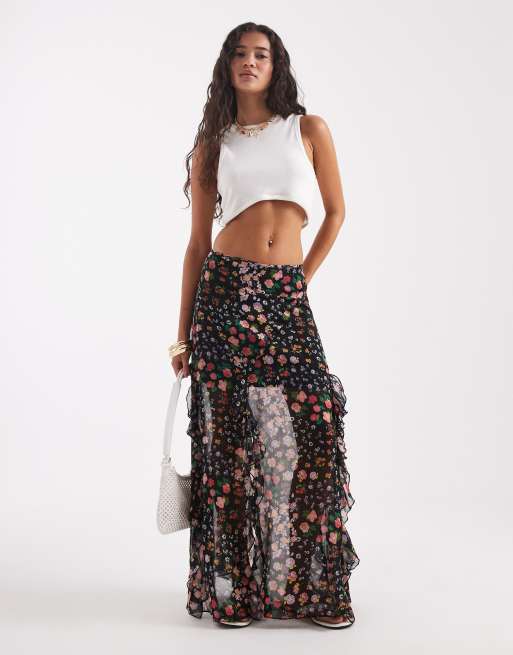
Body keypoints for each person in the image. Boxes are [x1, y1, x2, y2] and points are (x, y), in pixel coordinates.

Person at [170, 22, 360, 629]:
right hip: (224, 296)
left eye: (262, 55)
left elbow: (336, 213)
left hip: (285, 296)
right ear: (227, 66)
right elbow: (197, 246)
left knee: (312, 432)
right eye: (240, 54)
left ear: (277, 66)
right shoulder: (213, 145)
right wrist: (182, 335)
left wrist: (300, 279)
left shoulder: (308, 129)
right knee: (227, 447)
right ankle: (235, 592)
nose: (250, 62)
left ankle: (316, 589)